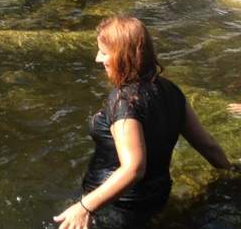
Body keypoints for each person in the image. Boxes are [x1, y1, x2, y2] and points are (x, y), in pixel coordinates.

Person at [54, 16, 238, 229]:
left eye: (104, 53)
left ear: (123, 56)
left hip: (114, 209)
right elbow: (209, 147)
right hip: (156, 200)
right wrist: (232, 175)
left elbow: (134, 169)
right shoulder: (171, 91)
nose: (97, 59)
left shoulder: (123, 101)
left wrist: (84, 207)